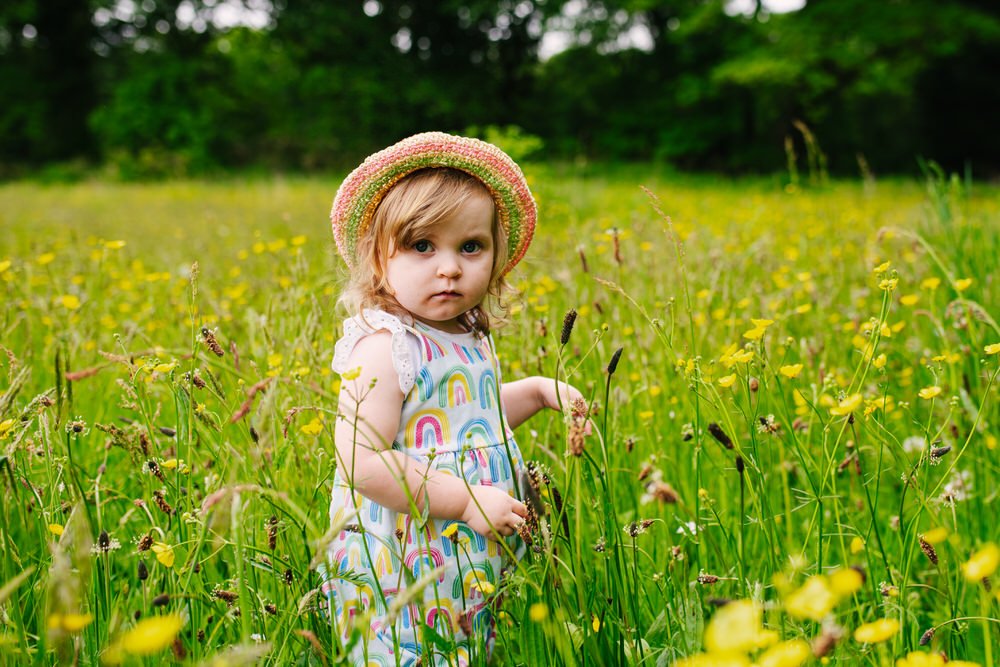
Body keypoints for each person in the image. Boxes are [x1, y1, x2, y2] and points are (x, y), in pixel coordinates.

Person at [322, 132, 585, 666]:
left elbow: (462, 424)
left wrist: (534, 392)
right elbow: (361, 461)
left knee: (473, 647)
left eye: (471, 247)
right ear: (379, 258)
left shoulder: (467, 334)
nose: (450, 267)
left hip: (468, 550)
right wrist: (464, 500)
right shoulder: (383, 346)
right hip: (403, 557)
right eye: (423, 246)